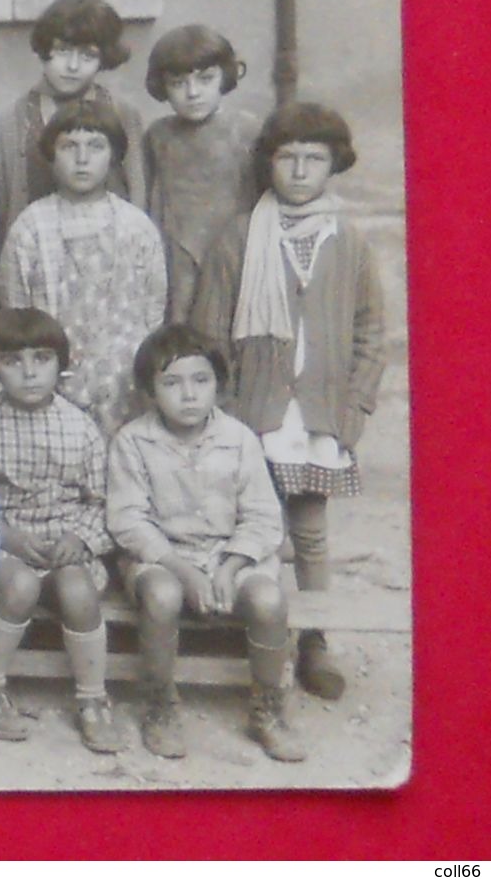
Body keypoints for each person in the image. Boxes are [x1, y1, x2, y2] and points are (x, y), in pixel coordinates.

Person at [191, 101, 386, 702]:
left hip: (318, 414)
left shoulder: (347, 241)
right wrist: (219, 414)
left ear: (334, 166)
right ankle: (254, 629)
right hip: (256, 411)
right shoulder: (241, 235)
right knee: (248, 524)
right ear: (268, 164)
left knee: (309, 530)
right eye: (287, 157)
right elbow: (209, 333)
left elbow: (370, 332)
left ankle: (315, 639)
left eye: (314, 159)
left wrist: (354, 409)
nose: (299, 171)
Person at [107, 324, 307, 762]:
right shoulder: (133, 441)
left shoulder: (238, 440)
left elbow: (262, 516)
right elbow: (128, 520)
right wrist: (182, 570)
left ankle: (268, 708)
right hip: (163, 556)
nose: (189, 395)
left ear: (218, 385)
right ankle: (160, 704)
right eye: (172, 383)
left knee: (269, 599)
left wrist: (230, 567)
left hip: (229, 553)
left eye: (201, 381)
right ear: (148, 392)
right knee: (161, 595)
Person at [0, 309, 125, 753]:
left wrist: (80, 540)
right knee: (18, 585)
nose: (30, 372)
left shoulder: (80, 427)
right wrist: (6, 536)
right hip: (2, 541)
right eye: (13, 361)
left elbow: (100, 501)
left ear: (61, 364)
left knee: (77, 590)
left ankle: (92, 697)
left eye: (42, 358)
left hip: (63, 542)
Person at [0, 99, 167, 435]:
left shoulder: (137, 227)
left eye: (95, 146)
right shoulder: (30, 227)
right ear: (51, 154)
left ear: (114, 156)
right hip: (52, 389)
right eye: (68, 147)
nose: (82, 158)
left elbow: (153, 311)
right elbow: (16, 312)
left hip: (124, 388)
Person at [0, 0, 148, 259]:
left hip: (109, 259)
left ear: (104, 59)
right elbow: (3, 208)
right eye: (62, 51)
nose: (72, 66)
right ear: (44, 50)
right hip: (36, 258)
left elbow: (137, 195)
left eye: (87, 56)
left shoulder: (122, 115)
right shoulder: (10, 121)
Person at [143, 24, 263, 321]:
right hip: (177, 254)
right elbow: (150, 197)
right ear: (163, 87)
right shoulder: (159, 136)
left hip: (235, 249)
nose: (193, 93)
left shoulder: (247, 130)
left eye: (206, 79)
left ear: (225, 77)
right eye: (178, 83)